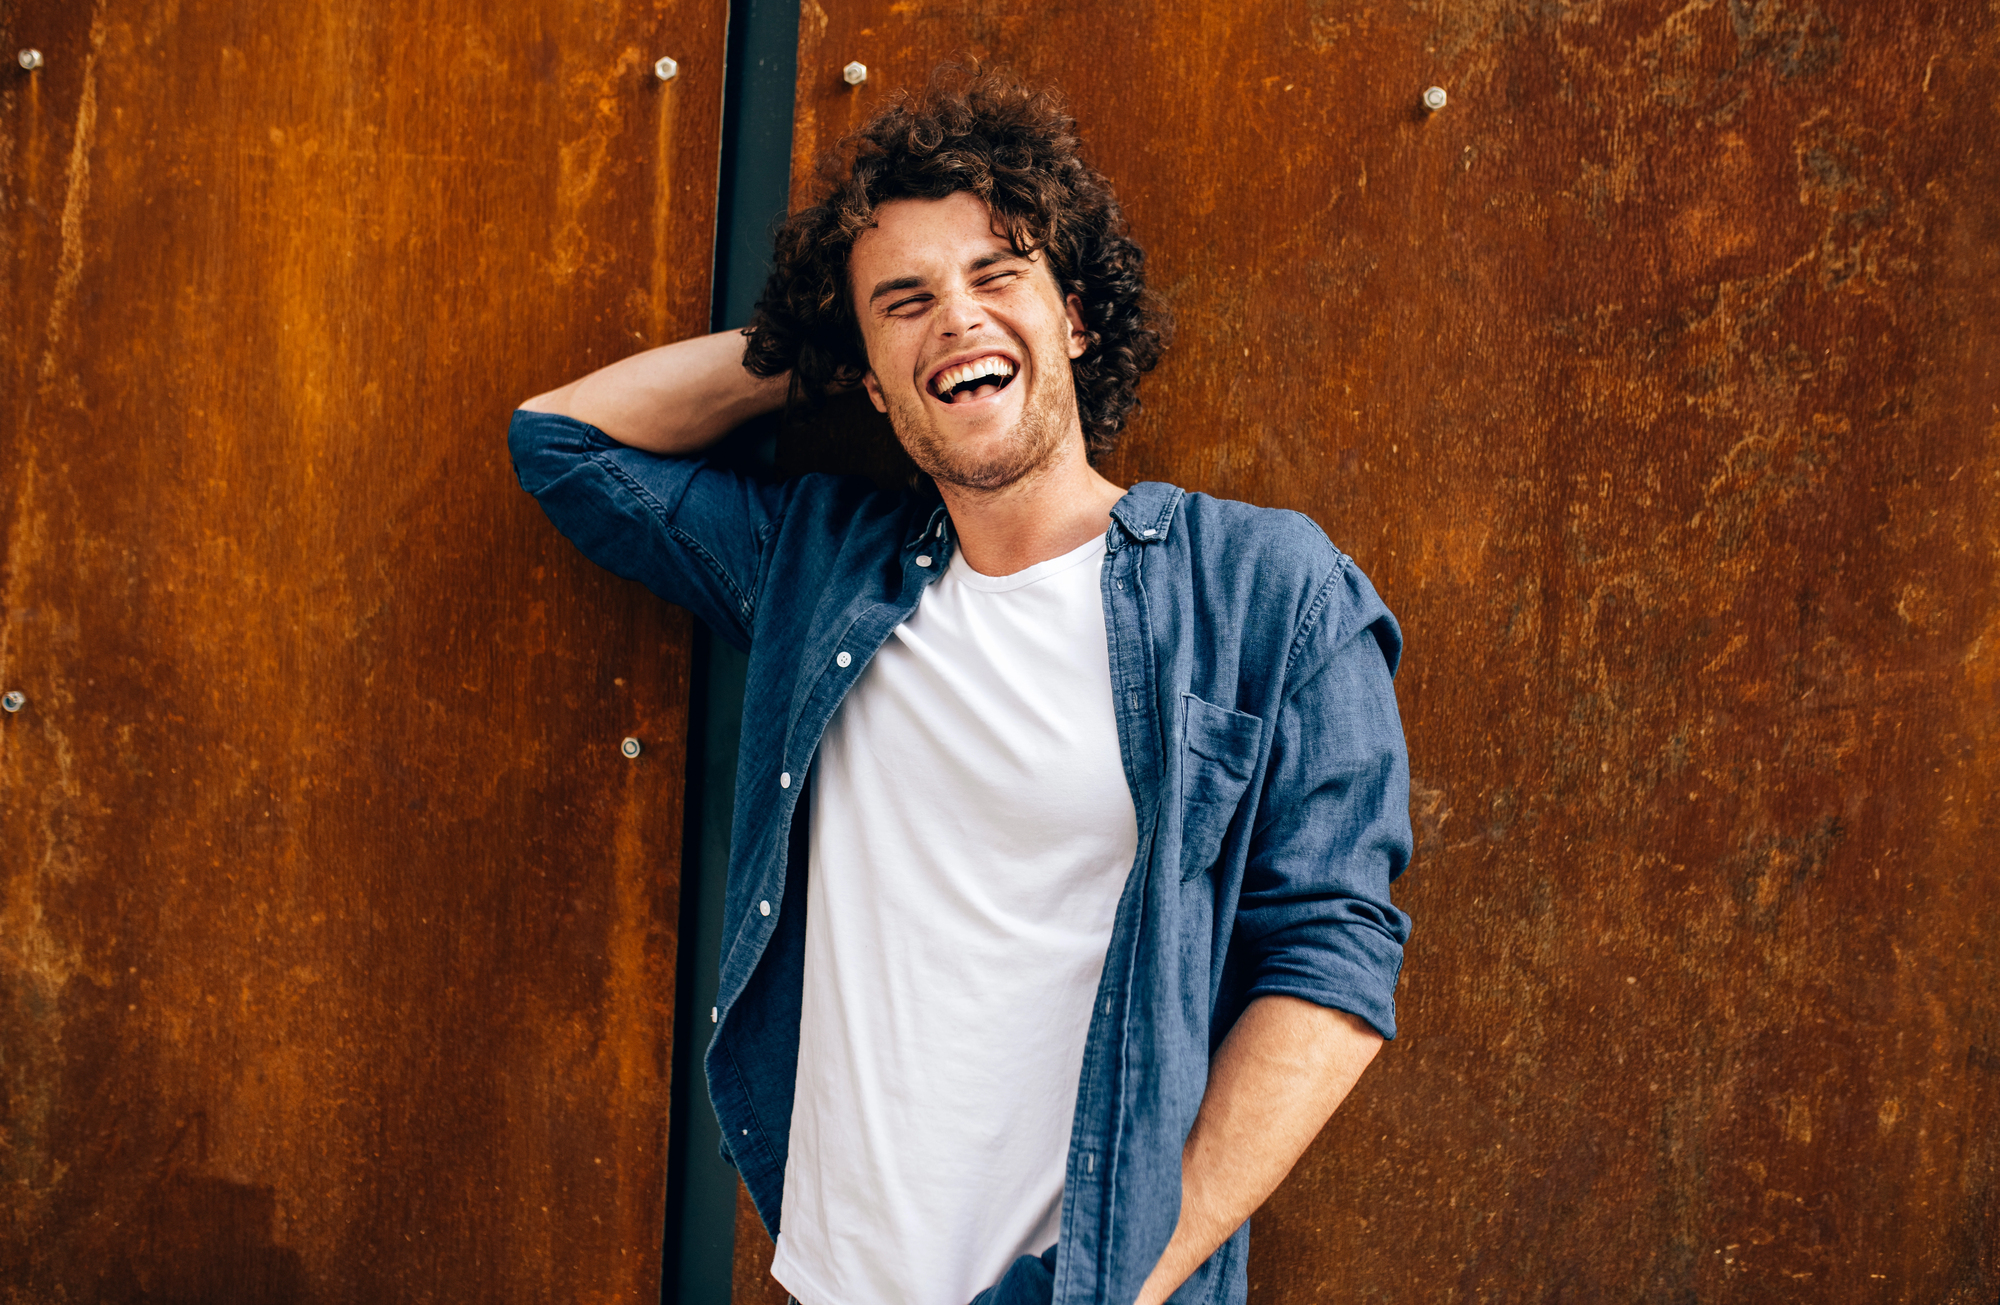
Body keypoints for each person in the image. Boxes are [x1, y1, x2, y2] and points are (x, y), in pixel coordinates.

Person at [509, 64, 1412, 1305]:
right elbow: (562, 445)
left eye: (997, 277)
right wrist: (811, 345)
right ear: (867, 382)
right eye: (905, 301)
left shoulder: (1264, 588)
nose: (959, 320)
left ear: (1076, 317)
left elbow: (1331, 964)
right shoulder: (819, 570)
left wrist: (1121, 1280)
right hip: (833, 1279)